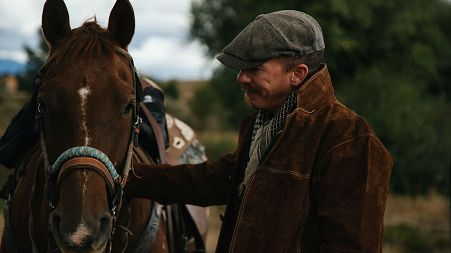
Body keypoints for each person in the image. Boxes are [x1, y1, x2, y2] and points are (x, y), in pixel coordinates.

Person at [123, 10, 393, 253]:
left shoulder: (349, 139)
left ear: (297, 74)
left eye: (254, 68)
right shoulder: (262, 125)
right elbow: (213, 180)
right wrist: (127, 177)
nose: (241, 78)